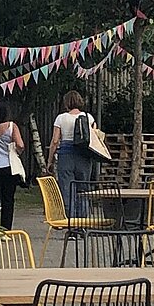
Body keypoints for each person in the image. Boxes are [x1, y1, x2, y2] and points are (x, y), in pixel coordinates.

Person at [53, 91, 100, 219]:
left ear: (66, 103)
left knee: (67, 189)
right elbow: (94, 137)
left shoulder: (61, 118)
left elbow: (55, 140)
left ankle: (71, 221)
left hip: (66, 155)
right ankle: (83, 222)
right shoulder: (89, 117)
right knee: (83, 188)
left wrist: (50, 159)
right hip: (84, 155)